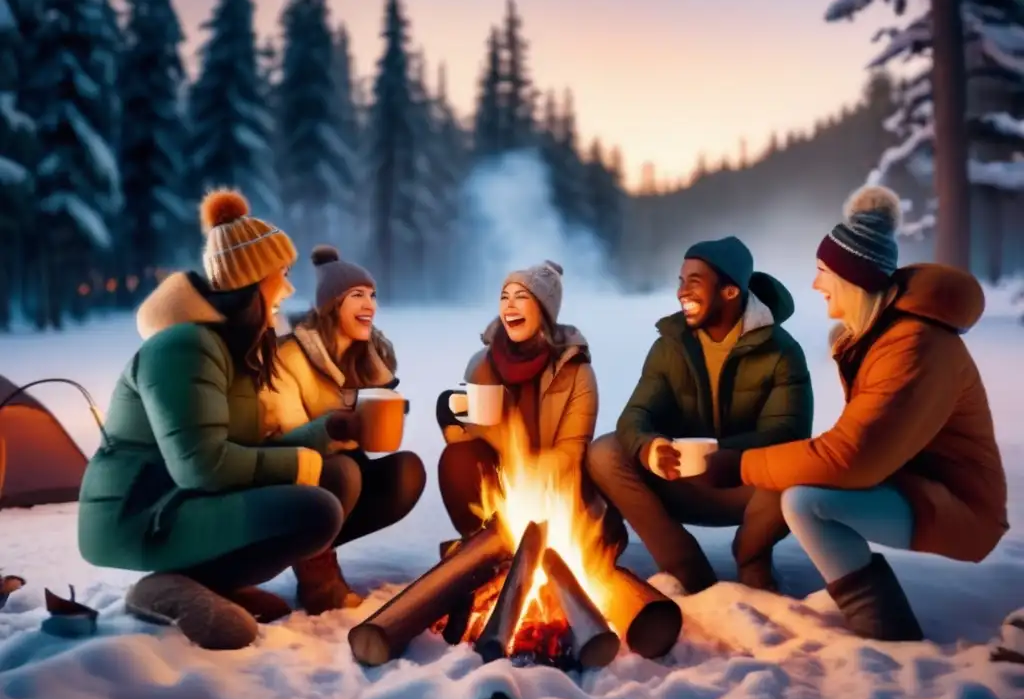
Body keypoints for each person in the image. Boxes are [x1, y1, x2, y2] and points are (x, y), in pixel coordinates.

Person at [704, 185, 1008, 641]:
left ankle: (886, 631)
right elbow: (858, 443)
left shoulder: (913, 347)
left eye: (822, 271)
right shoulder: (883, 337)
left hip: (957, 505)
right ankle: (809, 585)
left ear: (853, 280)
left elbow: (850, 457)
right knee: (796, 483)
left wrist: (739, 465)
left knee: (806, 501)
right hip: (911, 480)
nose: (814, 283)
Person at [78, 189, 355, 651]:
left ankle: (218, 581)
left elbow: (243, 448)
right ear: (251, 283)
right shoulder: (184, 348)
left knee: (338, 475)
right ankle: (172, 584)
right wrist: (297, 466)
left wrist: (327, 432)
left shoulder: (237, 349)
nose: (287, 290)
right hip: (146, 513)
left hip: (188, 499)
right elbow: (201, 465)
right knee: (316, 508)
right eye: (280, 276)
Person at [586, 236, 813, 594]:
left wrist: (724, 455)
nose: (682, 292)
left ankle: (753, 560)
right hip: (680, 478)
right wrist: (650, 448)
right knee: (605, 452)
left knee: (800, 467)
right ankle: (684, 568)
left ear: (729, 292)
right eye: (680, 281)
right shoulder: (670, 346)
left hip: (747, 486)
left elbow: (788, 432)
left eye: (694, 281)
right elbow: (634, 417)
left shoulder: (781, 352)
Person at [260, 245, 425, 615]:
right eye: (357, 296)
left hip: (339, 477)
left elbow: (366, 428)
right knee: (344, 472)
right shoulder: (290, 356)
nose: (370, 304)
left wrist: (383, 418)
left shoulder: (363, 359)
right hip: (289, 480)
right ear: (333, 304)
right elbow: (280, 443)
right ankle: (318, 579)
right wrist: (333, 427)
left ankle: (318, 542)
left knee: (407, 472)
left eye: (372, 295)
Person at [435, 261, 625, 548]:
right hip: (501, 488)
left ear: (544, 309)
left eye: (521, 297)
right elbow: (472, 436)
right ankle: (484, 547)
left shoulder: (576, 372)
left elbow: (571, 453)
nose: (509, 306)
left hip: (557, 491)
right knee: (457, 458)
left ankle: (547, 548)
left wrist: (523, 462)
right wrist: (453, 419)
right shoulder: (481, 364)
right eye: (504, 297)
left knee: (603, 534)